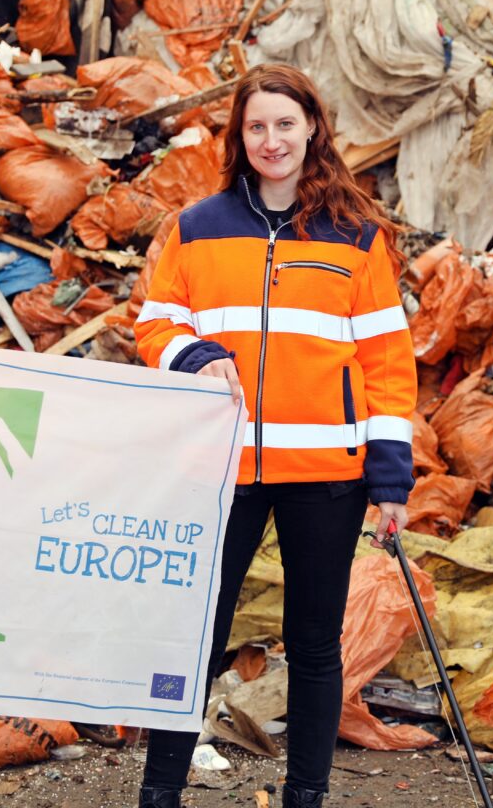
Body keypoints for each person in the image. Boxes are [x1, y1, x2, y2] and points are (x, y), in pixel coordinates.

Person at [133, 64, 417, 808]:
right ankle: (160, 793)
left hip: (327, 470)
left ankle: (306, 796)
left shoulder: (357, 236)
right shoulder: (198, 227)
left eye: (285, 124)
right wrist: (196, 354)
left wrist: (390, 481)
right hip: (223, 469)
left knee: (316, 642)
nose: (271, 140)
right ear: (240, 136)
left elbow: (387, 363)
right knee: (197, 635)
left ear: (313, 130)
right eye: (256, 126)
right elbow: (155, 322)